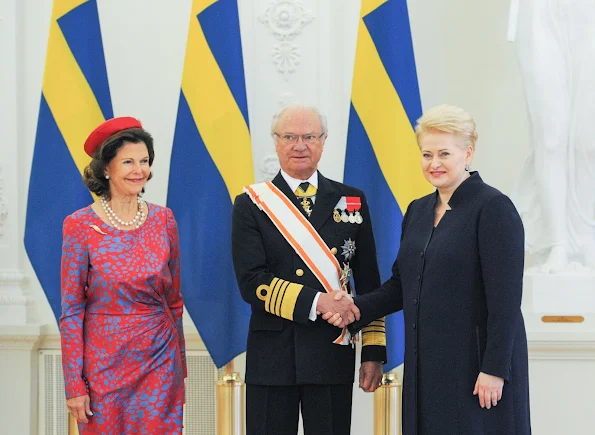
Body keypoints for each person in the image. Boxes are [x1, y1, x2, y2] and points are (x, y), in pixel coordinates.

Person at [327, 105, 531, 434]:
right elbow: (401, 285)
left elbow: (506, 302)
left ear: (468, 152)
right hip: (426, 368)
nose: (434, 164)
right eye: (426, 154)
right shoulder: (418, 210)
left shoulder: (493, 208)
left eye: (444, 153)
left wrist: (495, 369)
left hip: (477, 372)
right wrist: (353, 307)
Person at [231, 103, 386, 435]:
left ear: (324, 140)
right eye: (289, 136)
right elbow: (251, 281)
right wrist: (320, 303)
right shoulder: (251, 204)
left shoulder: (351, 201)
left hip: (330, 355)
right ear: (275, 141)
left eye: (309, 136)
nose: (299, 145)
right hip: (272, 357)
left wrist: (372, 351)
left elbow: (370, 284)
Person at [60, 117, 187, 434]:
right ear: (106, 168)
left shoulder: (164, 220)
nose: (139, 170)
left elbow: (174, 301)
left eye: (144, 161)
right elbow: (72, 311)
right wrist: (74, 383)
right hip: (104, 366)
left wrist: (180, 366)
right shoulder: (79, 226)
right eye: (128, 161)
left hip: (161, 360)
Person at [508, 0, 595, 272]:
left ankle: (587, 241)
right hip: (538, 11)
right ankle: (558, 243)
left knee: (587, 140)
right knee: (550, 139)